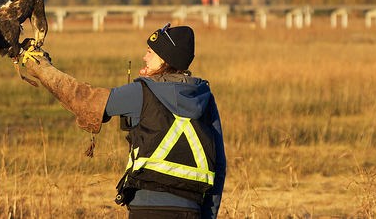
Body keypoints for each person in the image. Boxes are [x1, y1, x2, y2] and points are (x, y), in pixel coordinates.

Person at [19, 24, 226, 219]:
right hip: (192, 210)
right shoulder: (205, 97)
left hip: (148, 209)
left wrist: (39, 66)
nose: (144, 56)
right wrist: (207, 215)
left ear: (165, 60)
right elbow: (219, 165)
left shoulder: (143, 92)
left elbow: (84, 101)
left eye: (150, 52)